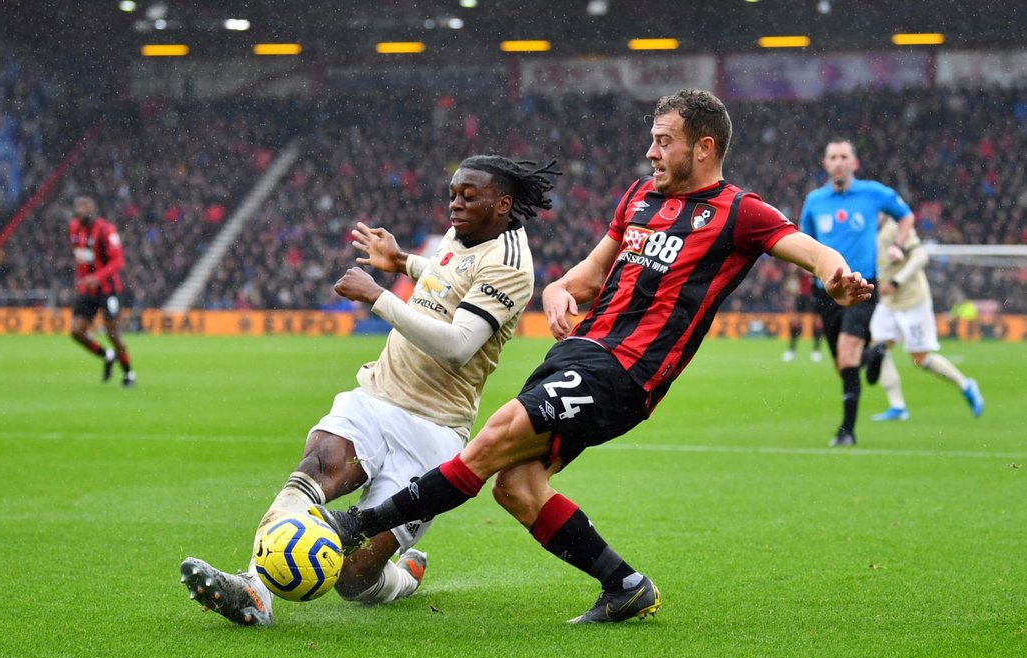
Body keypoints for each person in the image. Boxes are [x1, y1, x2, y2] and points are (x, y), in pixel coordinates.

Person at [314, 90, 873, 624]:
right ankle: (624, 586)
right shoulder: (639, 197)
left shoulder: (737, 212)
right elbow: (585, 276)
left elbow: (810, 249)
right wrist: (560, 292)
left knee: (495, 435)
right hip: (577, 355)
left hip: (626, 371)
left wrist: (835, 277)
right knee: (516, 487)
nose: (651, 152)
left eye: (663, 141)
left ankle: (357, 524)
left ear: (703, 147)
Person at [180, 155, 561, 626]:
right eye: (453, 194)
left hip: (434, 429)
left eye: (469, 196)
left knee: (354, 576)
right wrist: (401, 262)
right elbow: (448, 277)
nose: (455, 205)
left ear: (503, 204)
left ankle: (402, 579)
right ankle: (255, 591)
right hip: (377, 396)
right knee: (316, 468)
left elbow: (460, 346)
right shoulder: (466, 232)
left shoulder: (510, 265)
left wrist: (378, 295)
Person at [799, 140, 913, 446]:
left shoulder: (873, 193)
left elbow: (906, 215)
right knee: (842, 364)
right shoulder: (814, 201)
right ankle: (873, 354)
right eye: (832, 157)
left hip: (861, 288)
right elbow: (804, 241)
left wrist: (897, 245)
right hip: (826, 291)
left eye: (843, 157)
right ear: (825, 164)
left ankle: (847, 431)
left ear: (854, 163)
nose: (838, 162)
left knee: (848, 354)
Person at [863, 216, 984, 420]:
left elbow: (920, 256)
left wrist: (896, 281)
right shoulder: (869, 233)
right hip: (889, 302)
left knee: (921, 359)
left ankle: (966, 385)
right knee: (878, 348)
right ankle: (897, 406)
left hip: (912, 301)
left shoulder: (896, 229)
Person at [67, 196, 135, 387]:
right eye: (78, 208)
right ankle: (107, 355)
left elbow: (118, 261)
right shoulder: (73, 228)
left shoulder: (106, 230)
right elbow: (80, 258)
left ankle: (129, 374)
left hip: (108, 289)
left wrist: (96, 277)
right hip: (88, 290)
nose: (80, 211)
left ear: (92, 210)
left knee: (112, 333)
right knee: (76, 331)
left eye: (84, 208)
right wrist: (80, 279)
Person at [780, 265, 824, 363]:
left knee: (817, 323)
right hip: (802, 295)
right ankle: (792, 350)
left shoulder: (817, 260)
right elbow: (792, 271)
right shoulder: (802, 262)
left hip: (815, 294)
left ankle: (816, 351)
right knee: (796, 322)